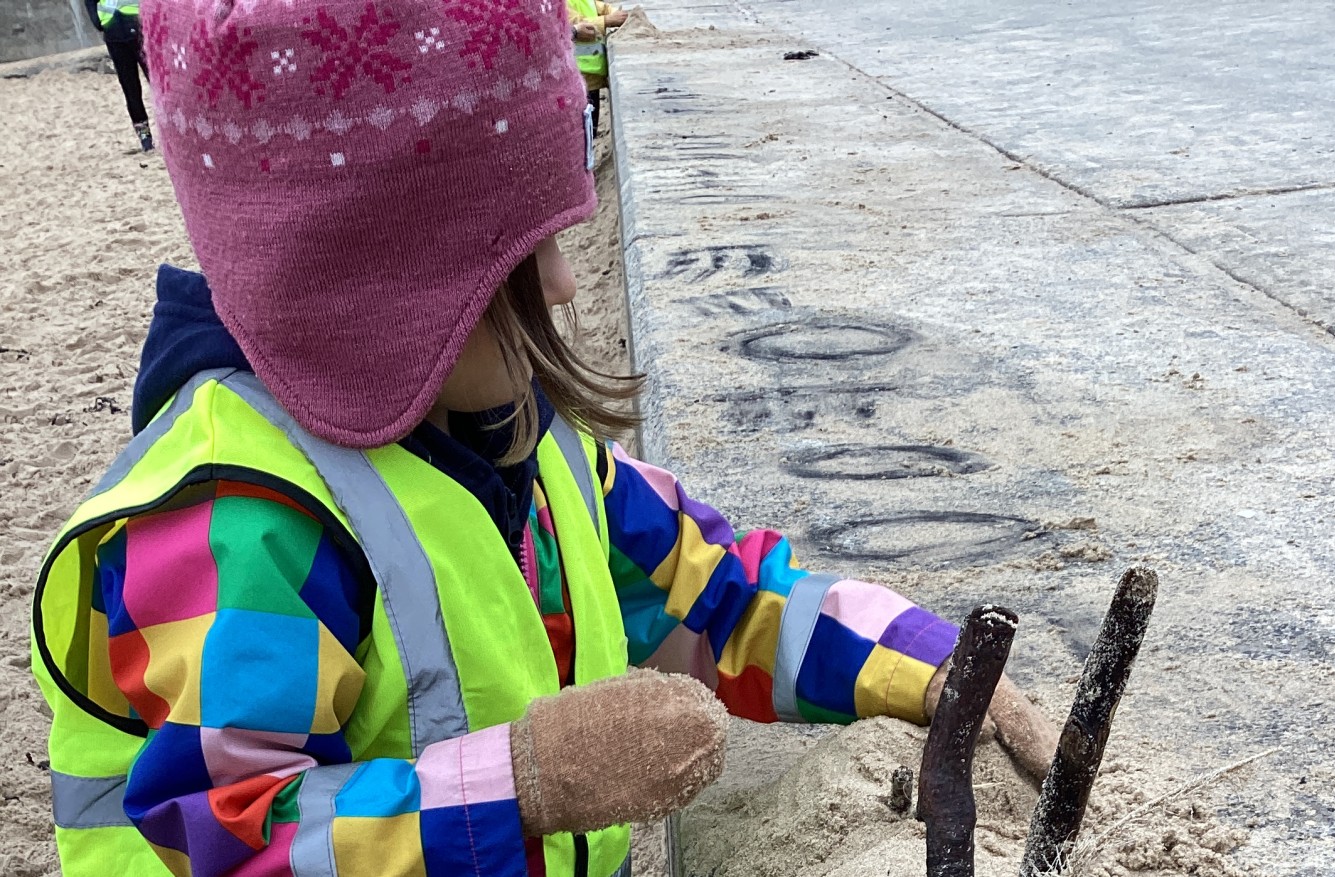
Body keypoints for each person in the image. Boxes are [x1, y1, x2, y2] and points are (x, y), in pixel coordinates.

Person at [29, 0, 1059, 875]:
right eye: (521, 260)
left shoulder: (528, 439)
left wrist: (924, 664)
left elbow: (726, 598)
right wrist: (521, 781)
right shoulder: (242, 530)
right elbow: (236, 836)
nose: (565, 285)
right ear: (385, 291)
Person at [85, 0, 153, 151]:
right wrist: (98, 21)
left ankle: (172, 127)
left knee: (157, 83)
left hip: (139, 28)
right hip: (114, 35)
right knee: (130, 88)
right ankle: (145, 137)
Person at [568, 0, 627, 130]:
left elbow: (598, 6)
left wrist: (615, 13)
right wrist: (607, 20)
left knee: (591, 126)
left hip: (592, 75)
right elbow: (574, 24)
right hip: (575, 77)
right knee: (581, 128)